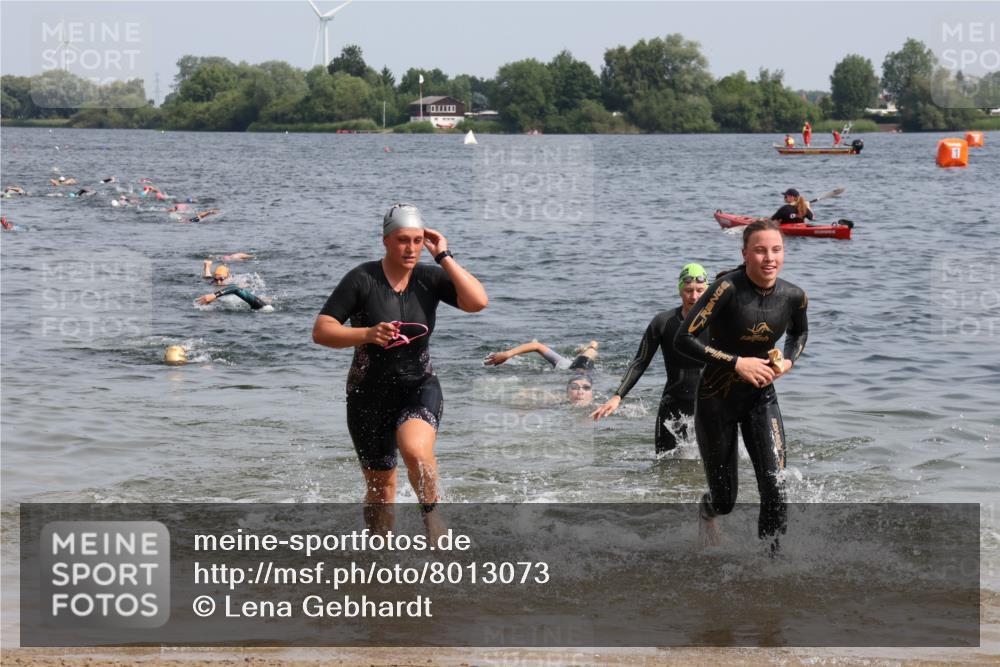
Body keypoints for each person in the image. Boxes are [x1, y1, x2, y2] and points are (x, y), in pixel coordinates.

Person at [312, 203, 488, 537]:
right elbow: (322, 330)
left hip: (418, 384)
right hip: (368, 395)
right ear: (386, 241)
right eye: (402, 240)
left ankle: (432, 515)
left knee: (416, 451)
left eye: (417, 240)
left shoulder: (431, 277)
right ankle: (379, 561)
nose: (411, 248)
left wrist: (444, 256)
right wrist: (365, 334)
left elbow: (477, 302)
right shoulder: (362, 279)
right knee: (382, 490)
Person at [675, 219, 808, 552]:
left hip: (761, 397)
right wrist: (738, 362)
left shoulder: (794, 296)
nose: (769, 258)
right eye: (760, 250)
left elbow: (799, 333)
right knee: (725, 501)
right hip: (716, 400)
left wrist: (789, 361)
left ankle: (770, 566)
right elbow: (684, 338)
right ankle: (707, 513)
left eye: (776, 250)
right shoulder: (726, 290)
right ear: (745, 253)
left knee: (776, 487)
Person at [590, 263, 710, 453]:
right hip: (672, 409)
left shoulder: (719, 322)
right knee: (664, 468)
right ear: (680, 290)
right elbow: (640, 361)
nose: (694, 296)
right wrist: (617, 395)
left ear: (707, 291)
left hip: (710, 408)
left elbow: (738, 359)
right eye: (688, 290)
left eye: (699, 290)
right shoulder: (663, 322)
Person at [484, 340, 599, 407]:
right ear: (568, 391)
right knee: (589, 352)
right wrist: (508, 354)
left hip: (578, 368)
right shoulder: (566, 371)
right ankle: (589, 347)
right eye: (574, 388)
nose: (580, 393)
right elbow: (536, 345)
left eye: (586, 388)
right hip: (576, 367)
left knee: (591, 350)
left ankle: (590, 346)